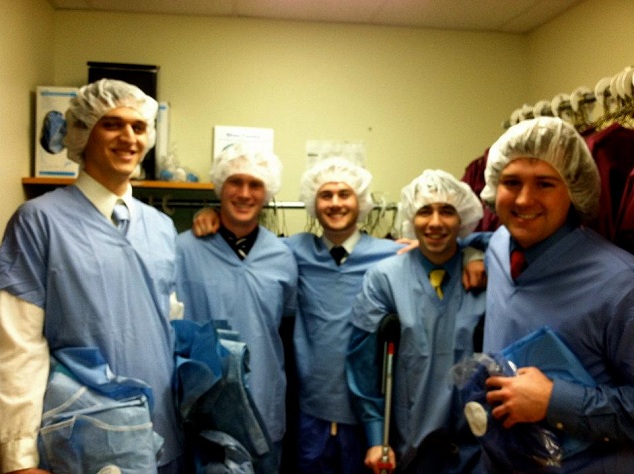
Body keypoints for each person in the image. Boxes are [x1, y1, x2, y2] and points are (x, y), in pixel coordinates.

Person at [0, 79, 184, 473]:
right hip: (83, 439)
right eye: (112, 124)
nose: (128, 137)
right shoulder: (39, 221)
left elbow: (166, 329)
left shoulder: (162, 228)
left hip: (162, 436)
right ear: (83, 133)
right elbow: (18, 346)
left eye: (138, 127)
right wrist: (18, 456)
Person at [477, 116, 634, 472]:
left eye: (545, 184)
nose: (523, 199)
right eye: (511, 182)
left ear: (574, 191)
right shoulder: (498, 247)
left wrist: (555, 401)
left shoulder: (620, 284)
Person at [346, 169, 486, 474]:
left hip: (474, 447)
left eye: (447, 211)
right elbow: (363, 364)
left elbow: (511, 238)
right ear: (411, 218)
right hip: (407, 445)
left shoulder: (484, 273)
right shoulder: (385, 278)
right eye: (425, 211)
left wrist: (475, 249)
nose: (435, 222)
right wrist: (375, 437)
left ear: (462, 218)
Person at [175, 143, 298, 474]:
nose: (244, 193)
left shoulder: (282, 255)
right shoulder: (184, 249)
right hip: (204, 408)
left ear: (267, 193)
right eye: (235, 182)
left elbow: (284, 331)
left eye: (255, 184)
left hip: (264, 401)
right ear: (220, 187)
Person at [286, 157, 406, 474]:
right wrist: (209, 215)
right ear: (314, 203)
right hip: (311, 411)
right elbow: (246, 239)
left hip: (367, 414)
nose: (336, 203)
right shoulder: (292, 251)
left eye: (345, 194)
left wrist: (473, 254)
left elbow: (450, 248)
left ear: (360, 202)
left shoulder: (393, 255)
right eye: (326, 195)